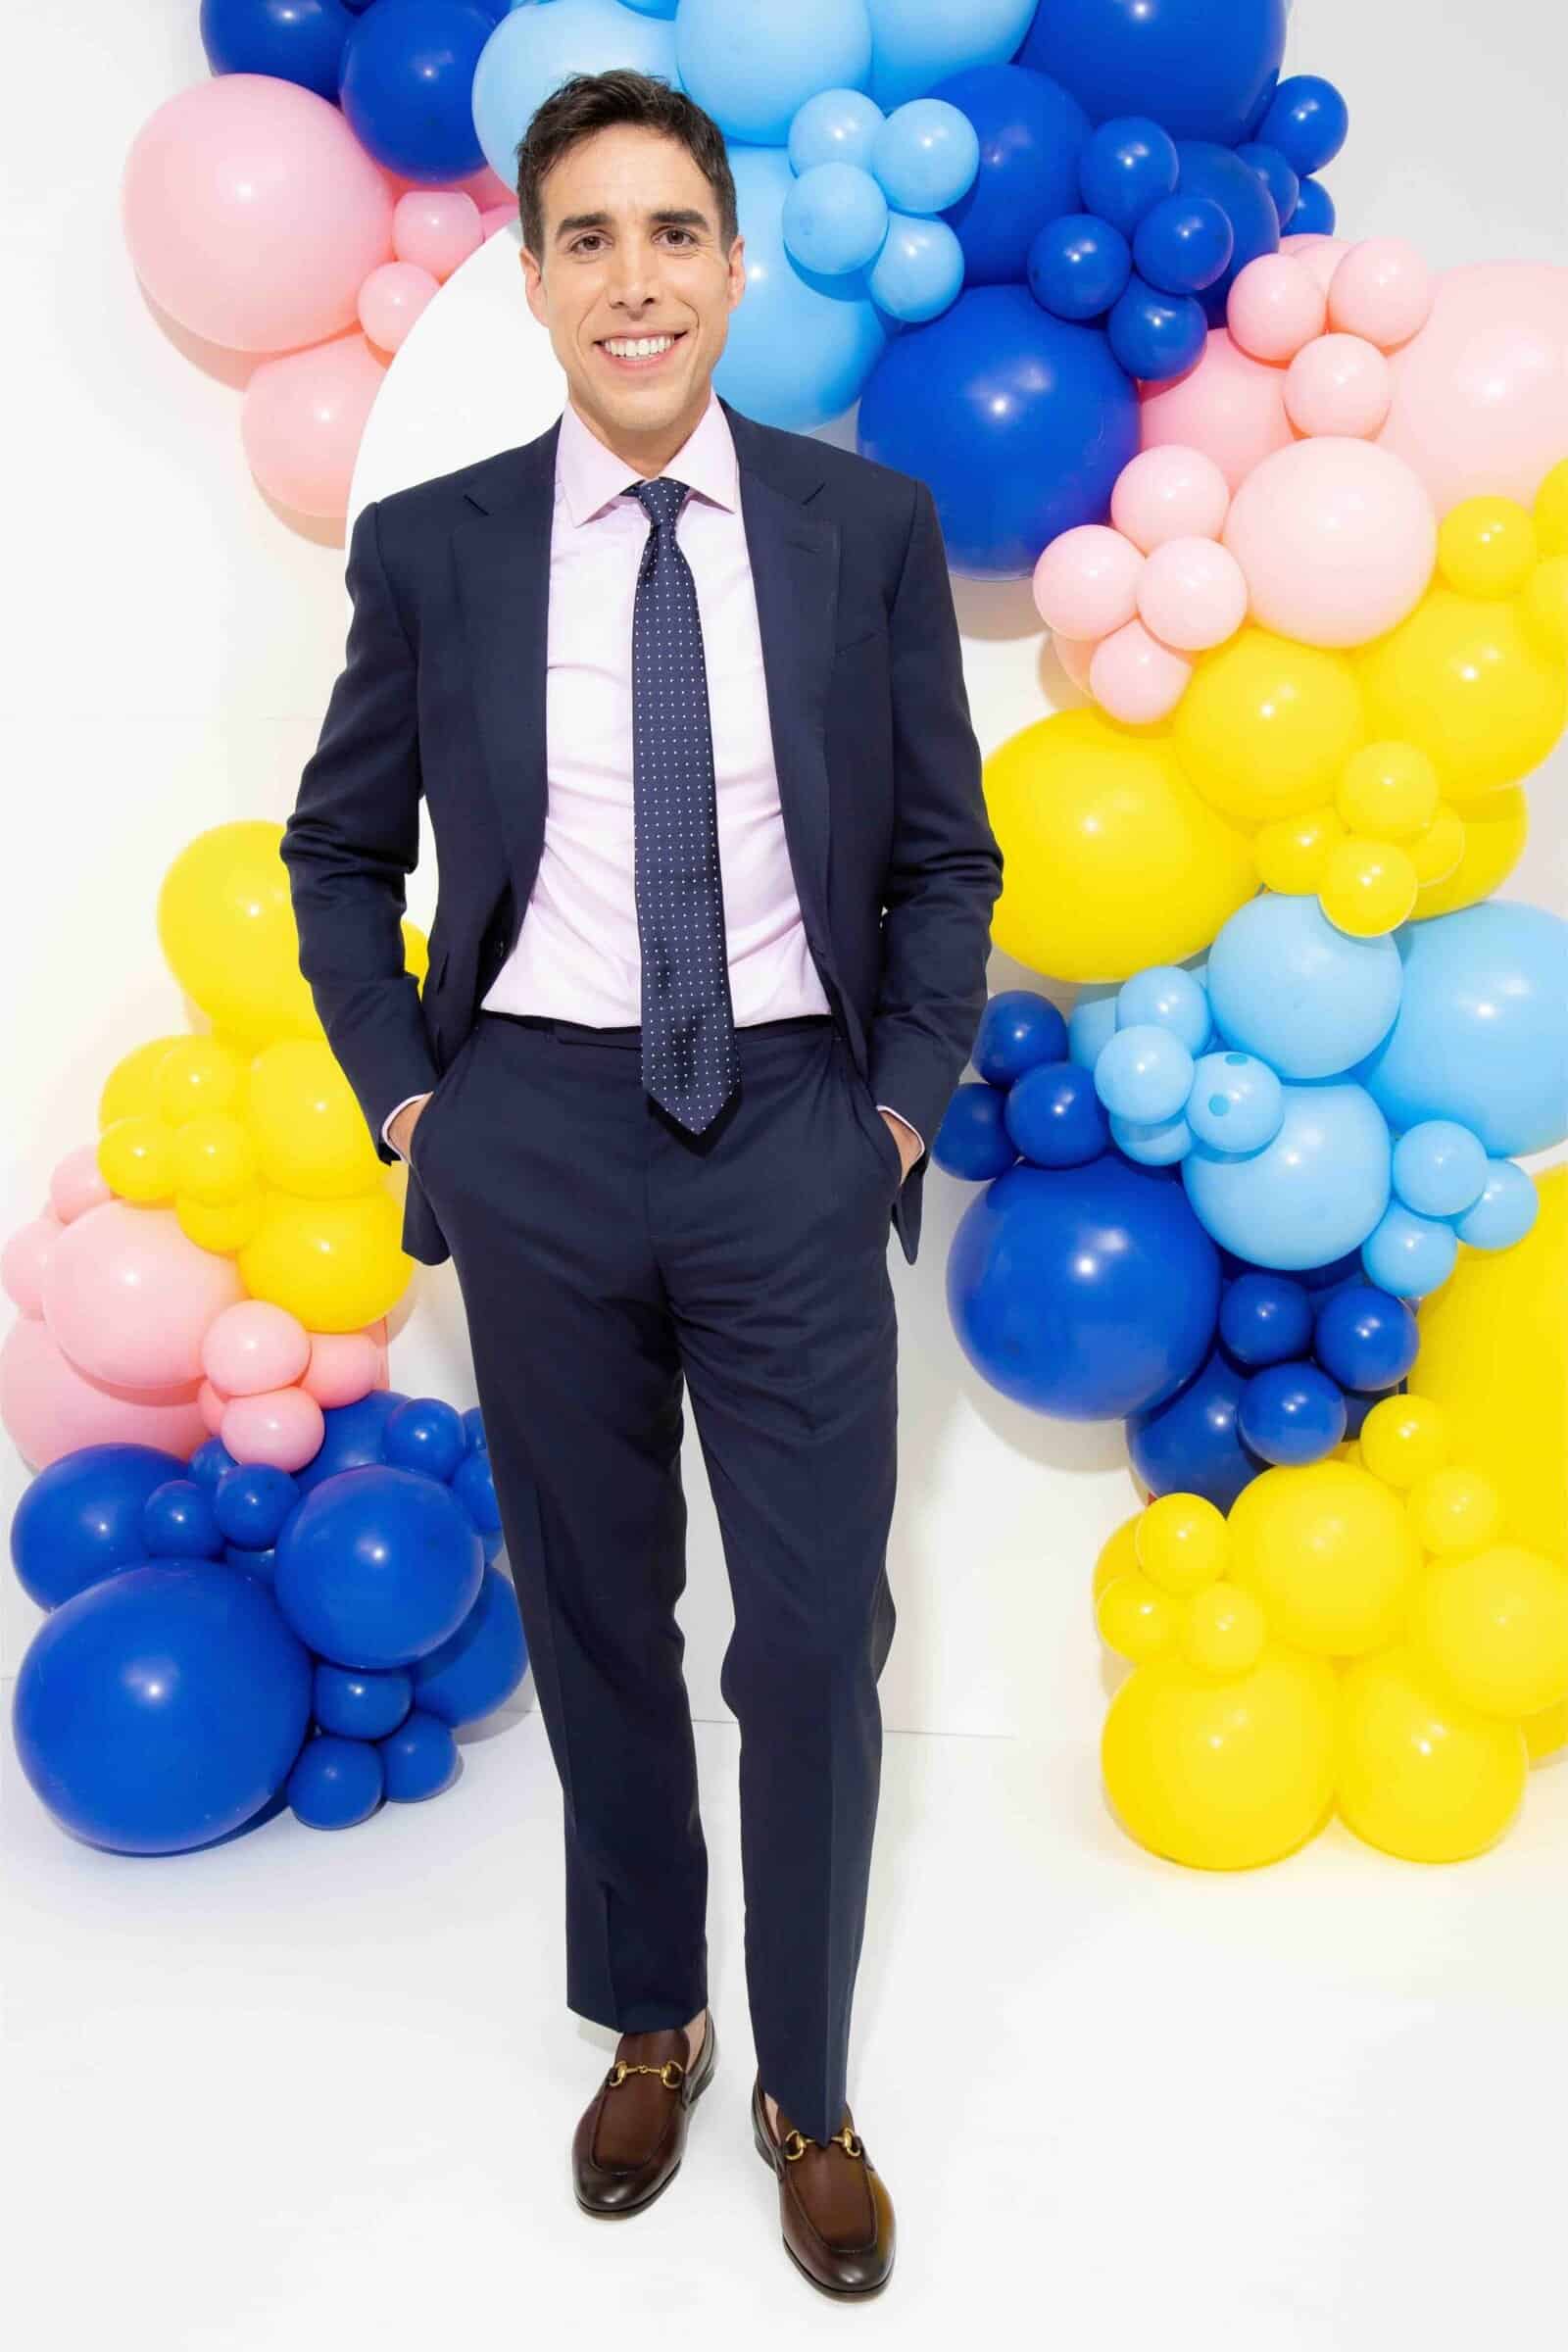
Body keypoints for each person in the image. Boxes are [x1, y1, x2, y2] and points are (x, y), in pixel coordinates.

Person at [281, 65, 1002, 2300]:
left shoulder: (857, 533)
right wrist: (422, 1109)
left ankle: (806, 2087)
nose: (631, 278)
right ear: (528, 281)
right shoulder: (436, 549)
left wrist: (885, 1112)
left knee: (803, 1637)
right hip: (543, 1147)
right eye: (583, 238)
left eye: (667, 232)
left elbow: (937, 864)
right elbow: (338, 855)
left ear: (731, 261)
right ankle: (652, 2021)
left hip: (789, 1128)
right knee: (597, 1617)